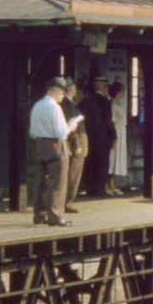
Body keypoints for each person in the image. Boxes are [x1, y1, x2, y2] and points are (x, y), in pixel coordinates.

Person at [29, 77, 75, 226]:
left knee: (41, 182)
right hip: (55, 145)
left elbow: (32, 132)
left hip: (40, 145)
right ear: (56, 91)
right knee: (58, 182)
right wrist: (71, 126)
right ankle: (55, 216)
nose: (63, 96)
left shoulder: (37, 105)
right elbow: (62, 132)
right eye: (62, 93)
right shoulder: (54, 107)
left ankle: (39, 215)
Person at [79, 77, 115, 198]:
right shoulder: (105, 102)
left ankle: (89, 189)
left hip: (89, 138)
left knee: (90, 163)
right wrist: (113, 136)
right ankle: (99, 190)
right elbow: (108, 121)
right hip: (103, 138)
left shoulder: (85, 101)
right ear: (104, 87)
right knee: (102, 164)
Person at [61, 77, 87, 213]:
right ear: (71, 89)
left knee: (72, 172)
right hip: (76, 141)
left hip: (76, 140)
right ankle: (67, 202)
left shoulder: (68, 103)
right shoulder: (68, 104)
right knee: (74, 173)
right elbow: (72, 126)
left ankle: (66, 201)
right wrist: (76, 144)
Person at [107, 81, 128, 195]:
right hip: (116, 132)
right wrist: (113, 138)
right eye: (121, 91)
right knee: (112, 158)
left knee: (117, 158)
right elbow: (112, 121)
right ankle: (107, 185)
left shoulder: (119, 103)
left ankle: (113, 184)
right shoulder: (112, 105)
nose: (123, 93)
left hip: (122, 132)